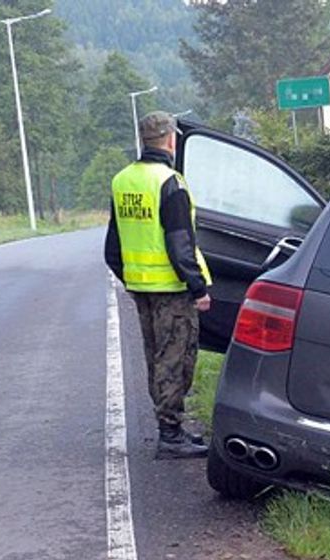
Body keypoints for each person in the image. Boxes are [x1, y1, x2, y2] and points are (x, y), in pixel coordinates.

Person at [105, 111, 212, 459]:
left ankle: (171, 429)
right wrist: (198, 287)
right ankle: (170, 435)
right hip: (172, 290)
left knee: (156, 357)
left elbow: (112, 249)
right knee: (176, 359)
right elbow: (180, 244)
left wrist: (133, 279)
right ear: (170, 139)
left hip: (142, 290)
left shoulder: (122, 180)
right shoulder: (170, 182)